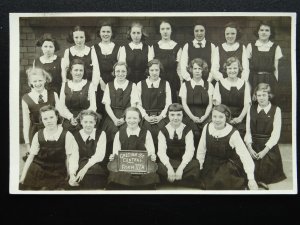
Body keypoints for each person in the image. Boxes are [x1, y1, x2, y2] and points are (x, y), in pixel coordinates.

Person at [196, 104, 258, 190]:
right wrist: (200, 167)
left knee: (219, 182)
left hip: (226, 164)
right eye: (214, 116)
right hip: (210, 163)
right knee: (200, 180)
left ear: (226, 118)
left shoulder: (233, 133)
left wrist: (251, 178)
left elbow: (244, 155)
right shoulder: (207, 127)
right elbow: (201, 149)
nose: (217, 120)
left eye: (221, 117)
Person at [19, 105, 79, 190]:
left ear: (57, 117)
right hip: (39, 167)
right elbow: (31, 157)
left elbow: (68, 158)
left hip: (57, 169)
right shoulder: (38, 134)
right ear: (42, 120)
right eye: (45, 119)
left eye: (51, 117)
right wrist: (22, 177)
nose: (49, 121)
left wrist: (69, 175)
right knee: (29, 188)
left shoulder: (66, 135)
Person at [244, 83, 286, 189]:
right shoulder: (251, 109)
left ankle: (260, 180)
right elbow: (248, 131)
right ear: (255, 96)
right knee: (245, 165)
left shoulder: (276, 110)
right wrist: (249, 148)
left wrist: (264, 152)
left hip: (268, 147)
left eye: (264, 95)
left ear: (269, 96)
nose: (261, 98)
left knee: (265, 167)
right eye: (258, 95)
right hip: (253, 144)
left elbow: (276, 134)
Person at [107, 107, 159, 190]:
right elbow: (116, 152)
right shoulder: (119, 133)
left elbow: (151, 151)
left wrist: (152, 156)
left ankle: (130, 185)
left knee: (151, 175)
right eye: (129, 118)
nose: (132, 120)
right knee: (114, 175)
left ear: (139, 119)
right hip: (124, 167)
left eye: (135, 118)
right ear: (125, 119)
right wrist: (113, 157)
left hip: (141, 167)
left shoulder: (146, 133)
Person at [101, 62, 138, 165]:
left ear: (127, 72)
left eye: (123, 71)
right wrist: (114, 119)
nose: (120, 74)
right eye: (118, 71)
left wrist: (125, 118)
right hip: (112, 116)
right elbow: (107, 105)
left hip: (128, 116)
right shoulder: (109, 85)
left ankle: (126, 164)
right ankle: (110, 164)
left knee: (127, 134)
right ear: (114, 72)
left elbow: (133, 105)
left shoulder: (132, 85)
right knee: (110, 133)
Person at [22, 67, 60, 161]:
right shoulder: (26, 98)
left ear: (45, 80)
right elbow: (26, 123)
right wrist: (27, 144)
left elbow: (59, 116)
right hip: (35, 133)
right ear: (30, 83)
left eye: (40, 80)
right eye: (34, 81)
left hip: (52, 131)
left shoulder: (53, 94)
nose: (38, 83)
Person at [157, 103, 200, 188]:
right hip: (169, 162)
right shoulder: (163, 131)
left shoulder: (188, 130)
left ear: (182, 115)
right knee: (158, 166)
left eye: (178, 115)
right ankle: (182, 180)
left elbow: (189, 151)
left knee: (195, 165)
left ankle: (170, 180)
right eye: (172, 115)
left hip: (184, 163)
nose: (175, 118)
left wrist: (181, 168)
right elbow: (161, 152)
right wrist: (169, 168)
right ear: (168, 115)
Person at [136, 59, 172, 150]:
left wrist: (161, 116)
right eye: (152, 70)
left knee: (162, 135)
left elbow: (168, 103)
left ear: (160, 71)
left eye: (157, 70)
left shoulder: (165, 84)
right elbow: (138, 104)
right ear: (148, 71)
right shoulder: (140, 84)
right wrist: (145, 116)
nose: (154, 73)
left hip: (161, 116)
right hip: (145, 116)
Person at [179, 58, 213, 149]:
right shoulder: (185, 85)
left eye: (199, 69)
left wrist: (204, 117)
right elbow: (184, 104)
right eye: (195, 69)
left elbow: (210, 104)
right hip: (189, 115)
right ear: (191, 70)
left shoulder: (209, 85)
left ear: (203, 70)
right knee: (192, 134)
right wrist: (193, 117)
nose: (197, 71)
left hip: (205, 116)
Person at [213, 57, 251, 137]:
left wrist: (240, 118)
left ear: (239, 69)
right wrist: (226, 119)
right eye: (229, 68)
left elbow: (247, 104)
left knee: (241, 135)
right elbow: (218, 106)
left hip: (241, 119)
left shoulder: (244, 83)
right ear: (225, 69)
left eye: (235, 68)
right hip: (223, 119)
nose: (232, 71)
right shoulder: (219, 84)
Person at [91, 22, 122, 116]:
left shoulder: (119, 48)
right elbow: (95, 67)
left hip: (114, 81)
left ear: (112, 33)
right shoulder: (94, 48)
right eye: (103, 31)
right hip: (99, 82)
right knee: (100, 106)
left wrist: (111, 82)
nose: (106, 34)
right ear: (99, 33)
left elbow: (120, 67)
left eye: (108, 31)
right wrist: (100, 81)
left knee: (113, 105)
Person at [247, 21, 283, 98]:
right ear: (258, 32)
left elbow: (276, 68)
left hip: (270, 79)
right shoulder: (251, 46)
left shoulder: (275, 47)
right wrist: (248, 82)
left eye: (267, 30)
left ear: (271, 33)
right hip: (255, 79)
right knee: (255, 100)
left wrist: (275, 83)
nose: (264, 32)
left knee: (269, 100)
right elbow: (247, 67)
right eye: (261, 30)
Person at [73, 110, 107, 190]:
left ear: (95, 123)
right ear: (81, 122)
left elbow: (99, 155)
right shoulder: (76, 135)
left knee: (95, 176)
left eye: (91, 122)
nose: (88, 125)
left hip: (97, 164)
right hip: (81, 164)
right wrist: (72, 174)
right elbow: (74, 157)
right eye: (85, 122)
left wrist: (85, 169)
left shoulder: (101, 134)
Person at [60, 58, 96, 133]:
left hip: (86, 119)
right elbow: (62, 107)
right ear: (70, 71)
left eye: (81, 70)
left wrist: (81, 117)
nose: (78, 73)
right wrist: (70, 117)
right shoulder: (65, 85)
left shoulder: (89, 85)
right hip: (69, 118)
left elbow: (93, 106)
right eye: (76, 70)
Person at [152, 20, 182, 103]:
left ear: (171, 30)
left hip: (172, 81)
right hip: (158, 80)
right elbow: (150, 68)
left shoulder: (177, 47)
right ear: (159, 31)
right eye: (162, 29)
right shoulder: (154, 47)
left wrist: (181, 84)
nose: (165, 31)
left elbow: (179, 69)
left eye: (168, 29)